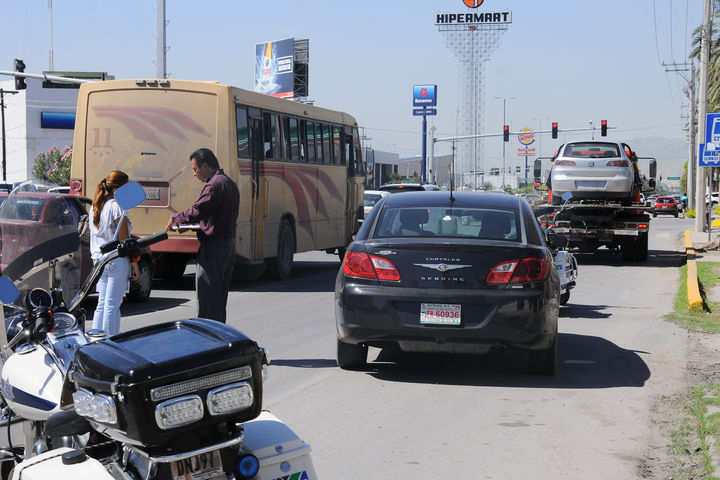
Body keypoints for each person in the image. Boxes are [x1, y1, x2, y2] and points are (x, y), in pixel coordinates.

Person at [166, 148, 240, 323]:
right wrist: (191, 226)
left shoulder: (214, 185)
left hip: (214, 249)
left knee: (208, 302)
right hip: (226, 246)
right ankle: (219, 335)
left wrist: (176, 218)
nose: (194, 174)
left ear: (205, 166)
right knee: (218, 301)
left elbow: (198, 211)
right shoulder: (227, 182)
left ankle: (209, 337)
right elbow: (213, 218)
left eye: (195, 169)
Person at [89, 170, 140, 335]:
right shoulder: (117, 207)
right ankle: (110, 341)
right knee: (112, 305)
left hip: (100, 260)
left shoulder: (96, 205)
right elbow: (124, 240)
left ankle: (96, 339)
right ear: (118, 189)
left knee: (102, 304)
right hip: (116, 260)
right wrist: (135, 263)